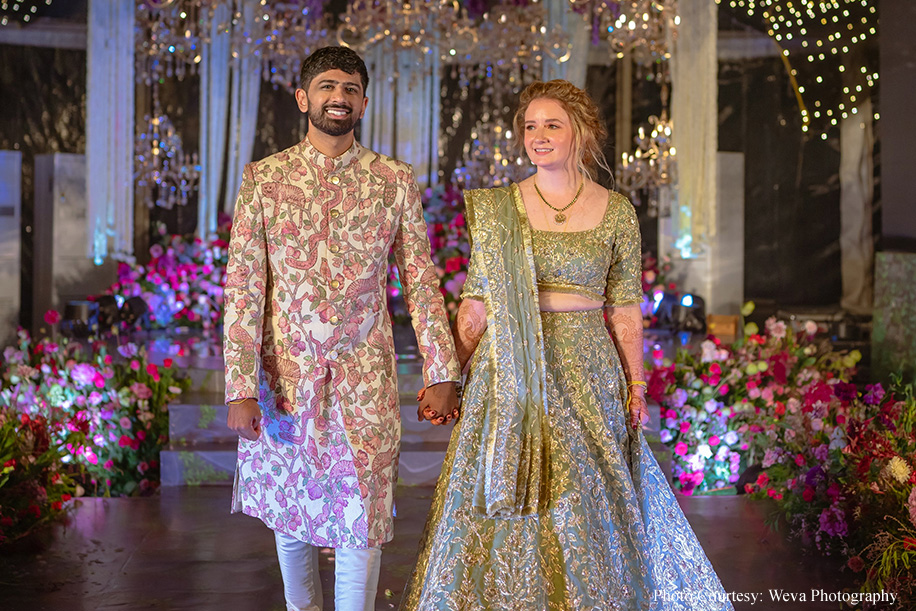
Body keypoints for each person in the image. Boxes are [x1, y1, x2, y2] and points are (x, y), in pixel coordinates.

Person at [400, 80, 734, 610]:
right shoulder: (500, 209)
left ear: (581, 130)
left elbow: (624, 306)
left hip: (586, 367)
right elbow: (477, 302)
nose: (538, 135)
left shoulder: (617, 211)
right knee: (503, 493)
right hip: (508, 369)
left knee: (583, 498)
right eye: (529, 126)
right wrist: (446, 376)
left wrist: (636, 383)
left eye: (551, 124)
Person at [222, 46, 461, 611]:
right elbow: (244, 285)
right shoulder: (265, 179)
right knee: (290, 510)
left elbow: (422, 280)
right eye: (327, 86)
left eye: (350, 89)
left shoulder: (392, 180)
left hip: (365, 376)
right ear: (304, 98)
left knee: (364, 512)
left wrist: (442, 369)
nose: (339, 97)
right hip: (287, 379)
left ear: (363, 101)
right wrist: (238, 385)